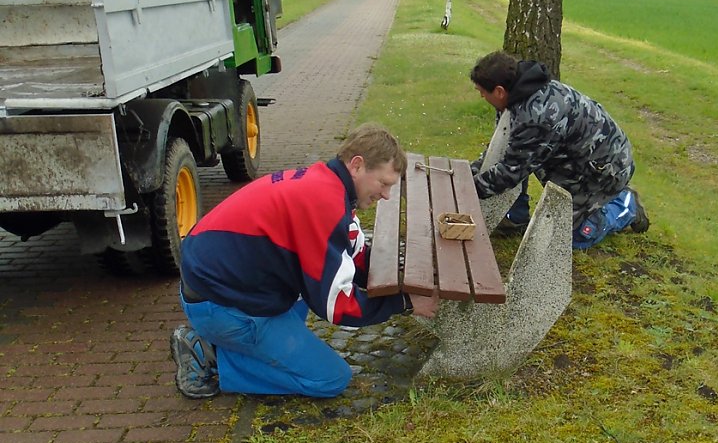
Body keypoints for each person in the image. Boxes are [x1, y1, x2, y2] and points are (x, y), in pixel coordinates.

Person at [170, 123, 436, 400]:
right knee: (331, 378)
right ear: (357, 166)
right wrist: (404, 303)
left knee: (302, 295)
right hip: (220, 305)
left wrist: (398, 279)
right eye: (383, 183)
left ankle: (234, 341)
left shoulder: (325, 182)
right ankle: (207, 354)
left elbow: (352, 251)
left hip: (223, 286)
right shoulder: (324, 204)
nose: (386, 195)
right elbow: (336, 306)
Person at [469, 51, 649, 250]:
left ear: (499, 91)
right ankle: (515, 217)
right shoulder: (517, 93)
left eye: (482, 91)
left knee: (562, 239)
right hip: (572, 158)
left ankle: (625, 204)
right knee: (521, 156)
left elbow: (511, 172)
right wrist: (471, 172)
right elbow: (505, 148)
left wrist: (467, 190)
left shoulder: (535, 117)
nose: (481, 96)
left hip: (602, 170)